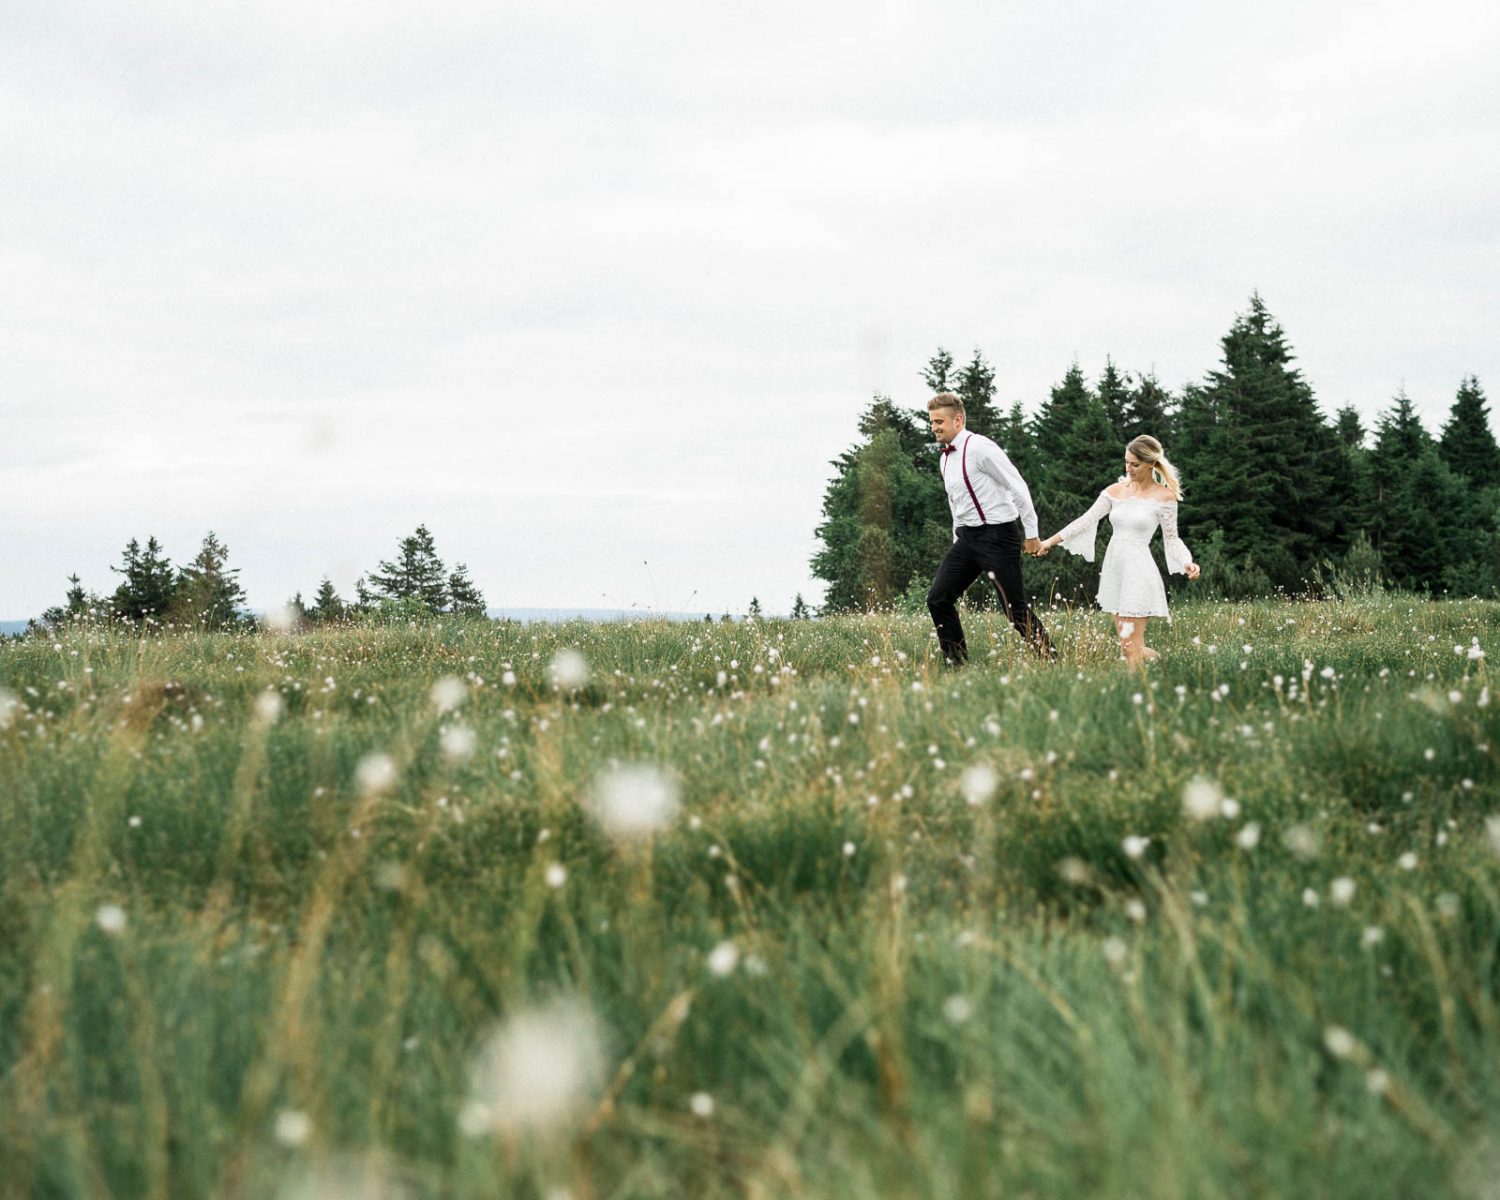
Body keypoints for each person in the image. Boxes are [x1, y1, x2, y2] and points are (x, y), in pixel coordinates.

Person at [1037, 435, 1200, 665]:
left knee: (1129, 647)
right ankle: (1157, 661)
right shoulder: (1114, 491)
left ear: (1151, 463)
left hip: (1140, 571)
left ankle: (1135, 694)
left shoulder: (1165, 497)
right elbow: (1084, 521)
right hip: (1115, 571)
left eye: (1136, 464)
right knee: (1129, 647)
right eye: (1127, 462)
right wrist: (1048, 542)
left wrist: (1187, 562)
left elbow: (1172, 540)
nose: (1129, 469)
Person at [925, 392, 1056, 664]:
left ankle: (1052, 660)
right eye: (932, 422)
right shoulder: (945, 458)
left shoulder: (980, 448)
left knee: (1014, 610)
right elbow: (956, 503)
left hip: (998, 535)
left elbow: (1017, 486)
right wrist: (956, 541)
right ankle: (956, 664)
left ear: (958, 420)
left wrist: (1032, 534)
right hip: (967, 538)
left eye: (939, 421)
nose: (934, 427)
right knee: (938, 598)